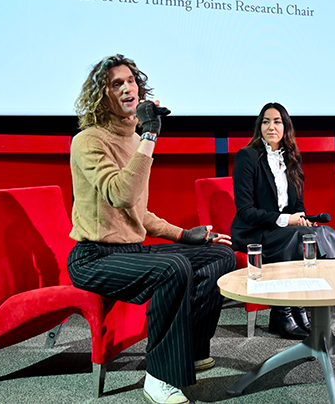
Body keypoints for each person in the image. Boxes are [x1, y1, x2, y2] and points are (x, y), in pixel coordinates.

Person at [65, 54, 237, 404]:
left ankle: (190, 351)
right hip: (93, 258)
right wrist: (150, 136)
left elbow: (138, 212)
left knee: (220, 255)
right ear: (103, 96)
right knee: (172, 268)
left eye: (130, 80)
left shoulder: (133, 139)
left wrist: (184, 234)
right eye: (116, 83)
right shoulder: (88, 141)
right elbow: (119, 194)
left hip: (131, 251)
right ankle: (159, 376)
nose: (127, 87)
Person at [231, 102, 335, 339]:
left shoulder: (292, 158)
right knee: (299, 236)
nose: (271, 126)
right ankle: (284, 311)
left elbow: (298, 206)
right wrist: (288, 220)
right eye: (266, 121)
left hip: (286, 232)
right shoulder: (247, 156)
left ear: (285, 127)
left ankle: (304, 305)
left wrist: (302, 219)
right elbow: (246, 211)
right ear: (259, 126)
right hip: (254, 231)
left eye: (277, 122)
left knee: (320, 232)